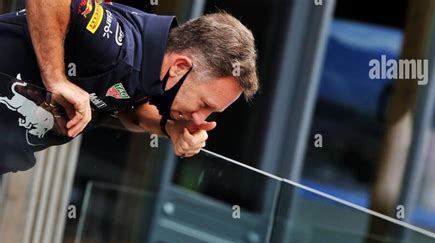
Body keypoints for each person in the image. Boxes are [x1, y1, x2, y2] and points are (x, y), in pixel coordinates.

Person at [0, 1, 259, 173]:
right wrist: (56, 78)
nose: (200, 119)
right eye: (204, 105)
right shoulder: (117, 47)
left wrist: (169, 129)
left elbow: (128, 110)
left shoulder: (150, 71)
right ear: (180, 66)